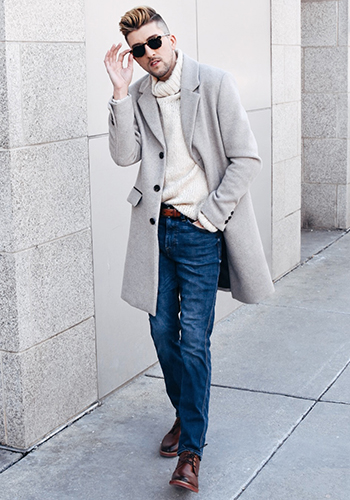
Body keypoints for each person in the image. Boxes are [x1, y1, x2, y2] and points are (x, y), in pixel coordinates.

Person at [104, 6, 274, 493]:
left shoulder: (214, 83)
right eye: (138, 51)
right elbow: (123, 155)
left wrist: (211, 213)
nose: (148, 55)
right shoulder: (136, 93)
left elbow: (247, 158)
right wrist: (118, 92)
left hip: (200, 233)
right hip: (155, 232)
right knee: (162, 333)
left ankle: (191, 452)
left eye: (154, 43)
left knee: (194, 341)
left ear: (172, 39)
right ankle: (185, 413)